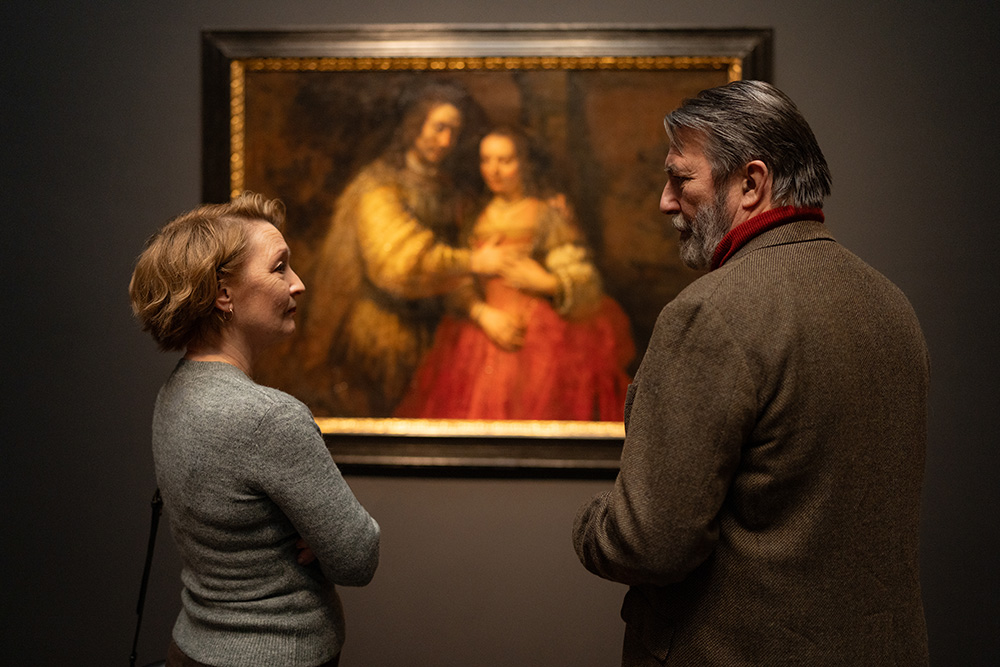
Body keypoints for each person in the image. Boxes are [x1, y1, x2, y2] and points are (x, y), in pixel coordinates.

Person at [572, 80, 930, 665]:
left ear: (751, 183)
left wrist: (590, 526)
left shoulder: (708, 312)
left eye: (681, 178)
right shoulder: (892, 304)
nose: (666, 201)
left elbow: (649, 543)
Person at [129, 192, 380, 667]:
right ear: (223, 293)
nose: (298, 284)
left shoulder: (174, 393)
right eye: (279, 267)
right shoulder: (269, 417)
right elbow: (358, 556)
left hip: (191, 649)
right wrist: (321, 534)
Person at [300, 82, 514, 417]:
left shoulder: (448, 190)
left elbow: (467, 252)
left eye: (454, 132)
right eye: (439, 127)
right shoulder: (377, 187)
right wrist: (475, 261)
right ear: (415, 125)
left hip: (437, 334)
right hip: (384, 336)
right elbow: (402, 264)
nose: (446, 141)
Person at [395, 126, 634, 420]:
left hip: (537, 336)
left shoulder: (546, 213)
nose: (493, 170)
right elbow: (458, 280)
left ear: (524, 163)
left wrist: (546, 282)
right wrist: (483, 312)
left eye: (505, 160)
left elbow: (582, 277)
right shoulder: (474, 216)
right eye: (486, 160)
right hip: (481, 331)